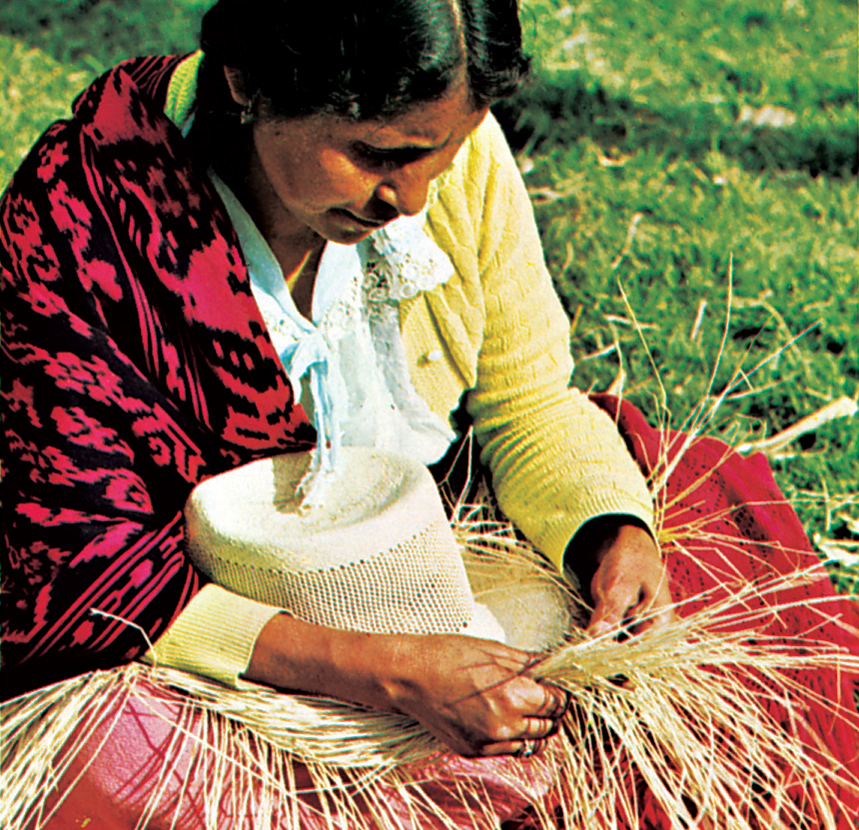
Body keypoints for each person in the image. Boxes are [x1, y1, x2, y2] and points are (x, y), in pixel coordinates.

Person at [1, 0, 857, 827]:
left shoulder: (458, 163)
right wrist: (392, 674)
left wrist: (611, 534)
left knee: (737, 618)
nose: (407, 201)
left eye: (435, 158)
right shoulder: (87, 219)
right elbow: (82, 572)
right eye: (374, 154)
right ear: (245, 81)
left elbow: (525, 404)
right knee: (109, 768)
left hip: (433, 546)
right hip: (216, 634)